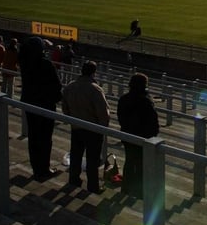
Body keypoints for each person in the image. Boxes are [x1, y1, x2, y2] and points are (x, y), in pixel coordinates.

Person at [62, 60, 111, 193]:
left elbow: (64, 108)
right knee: (92, 159)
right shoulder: (95, 89)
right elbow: (103, 113)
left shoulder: (70, 86)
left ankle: (74, 180)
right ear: (94, 72)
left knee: (76, 155)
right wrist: (103, 127)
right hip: (92, 130)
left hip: (76, 127)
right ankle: (93, 186)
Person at [18, 36, 63, 181]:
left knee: (34, 137)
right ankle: (44, 169)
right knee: (44, 138)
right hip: (45, 105)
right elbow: (57, 86)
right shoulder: (45, 64)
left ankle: (37, 168)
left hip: (30, 104)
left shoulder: (25, 63)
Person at [117, 73, 160, 199]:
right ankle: (140, 193)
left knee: (129, 162)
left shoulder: (124, 98)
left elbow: (121, 117)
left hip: (127, 136)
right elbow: (153, 122)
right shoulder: (146, 100)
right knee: (142, 166)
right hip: (143, 138)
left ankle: (126, 189)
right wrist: (153, 135)